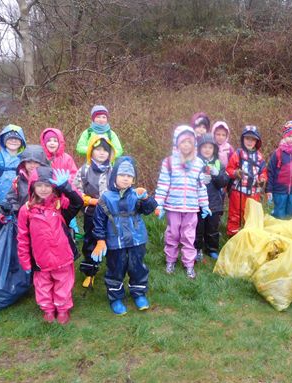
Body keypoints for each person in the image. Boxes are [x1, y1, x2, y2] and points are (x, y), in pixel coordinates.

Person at [91, 157, 157, 315]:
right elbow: (98, 221)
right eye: (122, 175)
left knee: (138, 268)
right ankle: (115, 297)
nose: (126, 178)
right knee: (115, 269)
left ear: (133, 179)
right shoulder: (106, 197)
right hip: (115, 242)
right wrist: (100, 240)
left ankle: (139, 293)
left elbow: (149, 210)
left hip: (137, 240)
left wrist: (146, 198)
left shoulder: (136, 195)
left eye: (129, 176)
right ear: (114, 176)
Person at [17, 168, 83, 325]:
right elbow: (22, 237)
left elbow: (78, 202)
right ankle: (47, 309)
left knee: (63, 283)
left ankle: (62, 309)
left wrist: (65, 187)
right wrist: (25, 261)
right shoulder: (26, 210)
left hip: (63, 256)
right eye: (39, 185)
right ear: (32, 187)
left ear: (54, 187)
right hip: (40, 259)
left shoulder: (60, 205)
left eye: (48, 185)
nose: (44, 189)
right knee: (42, 285)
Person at [155, 125, 211, 278]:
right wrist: (158, 204)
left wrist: (204, 205)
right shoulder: (169, 162)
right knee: (172, 235)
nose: (186, 145)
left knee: (188, 236)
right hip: (173, 206)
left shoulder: (199, 163)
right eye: (183, 142)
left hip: (192, 208)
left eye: (189, 142)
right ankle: (170, 260)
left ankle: (189, 264)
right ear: (177, 144)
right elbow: (163, 184)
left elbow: (201, 187)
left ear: (194, 144)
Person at [73, 137, 114, 288]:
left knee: (111, 241)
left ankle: (113, 271)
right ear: (91, 151)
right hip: (91, 212)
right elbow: (76, 191)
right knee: (90, 242)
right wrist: (89, 200)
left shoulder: (114, 170)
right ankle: (90, 273)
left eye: (105, 150)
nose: (102, 153)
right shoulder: (84, 170)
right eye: (98, 149)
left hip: (111, 214)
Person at [225, 125, 267, 236]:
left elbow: (263, 172)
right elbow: (229, 169)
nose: (249, 141)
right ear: (243, 139)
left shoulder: (259, 157)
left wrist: (262, 179)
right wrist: (235, 173)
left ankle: (249, 235)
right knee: (235, 214)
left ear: (257, 141)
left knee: (251, 215)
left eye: (252, 139)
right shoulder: (237, 154)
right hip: (238, 190)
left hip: (253, 192)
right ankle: (233, 236)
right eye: (247, 138)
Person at [194, 133, 229, 261]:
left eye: (210, 147)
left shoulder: (218, 164)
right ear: (199, 149)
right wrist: (199, 178)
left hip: (214, 202)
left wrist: (216, 175)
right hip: (197, 202)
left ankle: (212, 249)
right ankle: (197, 249)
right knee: (198, 227)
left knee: (213, 228)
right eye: (204, 147)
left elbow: (224, 181)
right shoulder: (195, 162)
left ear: (214, 149)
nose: (207, 150)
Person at [1, 145, 49, 217]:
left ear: (42, 163)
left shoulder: (48, 181)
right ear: (24, 163)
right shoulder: (19, 180)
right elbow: (11, 197)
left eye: (36, 162)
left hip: (44, 218)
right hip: (23, 217)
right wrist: (15, 208)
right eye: (29, 162)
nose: (32, 165)